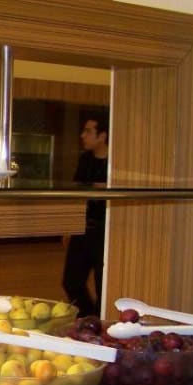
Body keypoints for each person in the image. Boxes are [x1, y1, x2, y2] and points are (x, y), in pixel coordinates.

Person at [61, 112, 109, 317]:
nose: (83, 135)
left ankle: (99, 321)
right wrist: (68, 227)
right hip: (83, 228)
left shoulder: (115, 163)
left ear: (102, 136)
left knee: (102, 285)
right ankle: (89, 318)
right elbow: (77, 193)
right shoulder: (85, 159)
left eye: (88, 131)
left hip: (105, 231)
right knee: (71, 282)